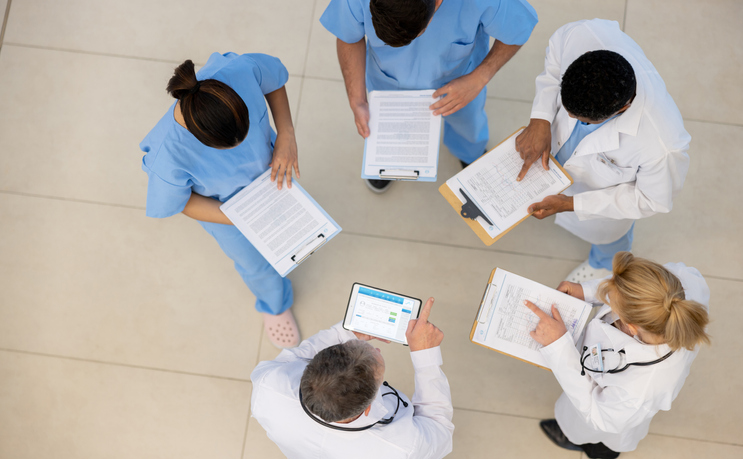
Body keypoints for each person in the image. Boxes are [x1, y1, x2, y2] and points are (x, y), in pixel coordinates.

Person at [140, 52, 302, 348]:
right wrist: (240, 216)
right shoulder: (168, 155)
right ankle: (274, 305)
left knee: (293, 234)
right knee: (257, 266)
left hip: (272, 180)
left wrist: (286, 135)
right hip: (226, 214)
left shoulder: (239, 70)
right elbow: (181, 203)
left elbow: (274, 81)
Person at [514, 19, 691, 282]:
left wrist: (571, 204)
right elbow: (553, 65)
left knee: (610, 240)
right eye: (566, 109)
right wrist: (541, 119)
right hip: (559, 163)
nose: (568, 117)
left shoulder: (662, 144)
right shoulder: (584, 36)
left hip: (601, 203)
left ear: (622, 109)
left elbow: (652, 200)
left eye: (583, 120)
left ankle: (603, 264)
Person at [321, 0, 538, 193]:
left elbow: (518, 29)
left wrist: (480, 77)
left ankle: (469, 154)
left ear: (437, 3)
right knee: (390, 132)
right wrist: (357, 99)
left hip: (460, 80)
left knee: (468, 126)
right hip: (388, 82)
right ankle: (389, 161)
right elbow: (349, 36)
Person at [525, 252, 710, 459]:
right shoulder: (677, 287)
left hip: (610, 421)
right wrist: (586, 291)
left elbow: (598, 416)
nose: (608, 294)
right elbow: (631, 288)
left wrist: (559, 346)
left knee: (599, 440)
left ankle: (599, 451)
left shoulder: (641, 388)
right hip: (613, 392)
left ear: (630, 327)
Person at [250, 298, 454, 459]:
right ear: (367, 409)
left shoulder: (270, 385)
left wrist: (347, 333)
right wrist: (426, 357)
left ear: (308, 368)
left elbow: (295, 357)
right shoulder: (401, 449)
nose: (377, 350)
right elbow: (438, 427)